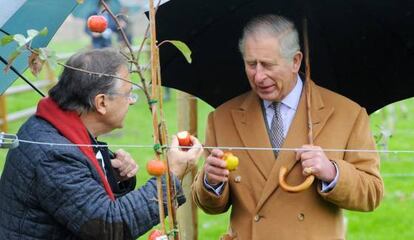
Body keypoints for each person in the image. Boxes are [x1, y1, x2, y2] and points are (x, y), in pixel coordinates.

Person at [192, 15, 383, 239]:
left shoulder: (347, 114)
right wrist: (210, 181)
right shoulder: (221, 118)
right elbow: (211, 206)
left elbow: (372, 193)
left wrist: (331, 172)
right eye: (251, 64)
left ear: (296, 61)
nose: (259, 76)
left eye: (268, 64)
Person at [0, 48, 203, 239]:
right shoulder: (54, 154)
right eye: (128, 93)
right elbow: (108, 225)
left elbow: (77, 200)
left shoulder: (54, 129)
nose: (131, 101)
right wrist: (172, 174)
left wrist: (108, 173)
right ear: (102, 103)